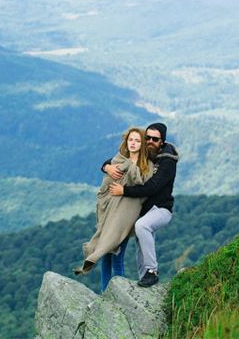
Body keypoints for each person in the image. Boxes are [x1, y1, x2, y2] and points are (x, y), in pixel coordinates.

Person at [74, 127, 154, 292]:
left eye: (137, 141)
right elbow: (106, 182)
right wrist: (107, 167)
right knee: (105, 255)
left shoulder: (147, 165)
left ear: (143, 144)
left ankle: (119, 295)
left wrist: (130, 170)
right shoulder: (118, 160)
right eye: (131, 140)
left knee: (117, 254)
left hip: (125, 216)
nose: (133, 143)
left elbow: (143, 187)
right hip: (109, 212)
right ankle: (104, 293)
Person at [106, 122, 179, 288]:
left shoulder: (167, 161)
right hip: (144, 210)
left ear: (162, 141)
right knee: (141, 238)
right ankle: (145, 279)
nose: (150, 141)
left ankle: (152, 272)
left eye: (155, 139)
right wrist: (107, 167)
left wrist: (123, 190)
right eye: (147, 138)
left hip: (162, 209)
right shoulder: (145, 153)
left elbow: (153, 187)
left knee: (142, 226)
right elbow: (117, 159)